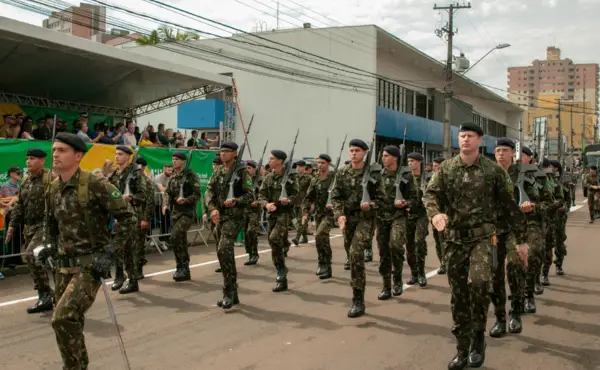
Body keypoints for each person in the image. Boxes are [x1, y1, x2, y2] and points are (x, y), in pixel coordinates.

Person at [423, 123, 528, 369]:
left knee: (479, 282)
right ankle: (463, 348)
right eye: (462, 136)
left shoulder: (493, 171)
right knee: (459, 296)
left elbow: (510, 207)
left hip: (484, 238)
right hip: (455, 240)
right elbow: (430, 195)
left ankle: (479, 337)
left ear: (480, 140)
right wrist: (435, 214)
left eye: (470, 136)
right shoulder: (447, 169)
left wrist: (521, 241)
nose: (465, 140)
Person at [42, 132, 136, 370]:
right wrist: (47, 246)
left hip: (90, 265)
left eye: (62, 150)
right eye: (54, 150)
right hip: (63, 266)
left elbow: (128, 219)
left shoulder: (96, 185)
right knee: (69, 322)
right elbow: (50, 223)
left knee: (62, 318)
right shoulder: (52, 189)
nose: (55, 154)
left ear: (78, 155)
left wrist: (110, 253)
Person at [330, 139, 380, 318]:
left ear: (365, 152)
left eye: (357, 150)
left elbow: (384, 197)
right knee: (352, 258)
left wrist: (371, 204)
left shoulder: (374, 172)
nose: (353, 153)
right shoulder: (343, 172)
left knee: (356, 253)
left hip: (366, 219)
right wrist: (339, 214)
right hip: (348, 220)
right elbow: (335, 196)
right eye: (351, 150)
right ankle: (357, 293)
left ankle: (358, 300)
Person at [204, 141, 253, 309]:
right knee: (224, 253)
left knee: (223, 248)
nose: (222, 154)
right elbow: (208, 191)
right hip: (221, 216)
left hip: (235, 217)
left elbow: (250, 196)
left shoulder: (242, 172)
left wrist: (236, 201)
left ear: (234, 153)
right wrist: (212, 210)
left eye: (226, 151)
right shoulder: (217, 172)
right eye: (221, 151)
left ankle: (228, 291)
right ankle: (233, 292)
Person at [6, 148, 54, 313]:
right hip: (31, 226)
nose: (28, 162)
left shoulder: (51, 178)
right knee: (36, 257)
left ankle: (45, 293)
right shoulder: (26, 180)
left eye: (32, 159)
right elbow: (19, 205)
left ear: (42, 160)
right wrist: (12, 226)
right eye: (27, 159)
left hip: (46, 225)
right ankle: (47, 293)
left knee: (31, 255)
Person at [258, 149, 299, 292]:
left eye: (272, 158)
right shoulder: (268, 178)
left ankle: (281, 272)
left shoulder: (290, 178)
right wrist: (266, 204)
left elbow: (297, 195)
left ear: (280, 161)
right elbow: (261, 196)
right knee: (273, 243)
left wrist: (289, 200)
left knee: (275, 238)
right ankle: (281, 271)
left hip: (284, 214)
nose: (269, 161)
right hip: (272, 215)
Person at [162, 151, 201, 281]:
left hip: (187, 213)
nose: (174, 161)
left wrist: (186, 200)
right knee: (180, 240)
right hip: (176, 213)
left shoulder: (190, 175)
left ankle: (183, 266)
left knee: (175, 236)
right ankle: (182, 267)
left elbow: (197, 194)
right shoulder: (172, 177)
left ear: (183, 161)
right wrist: (165, 204)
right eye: (173, 159)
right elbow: (167, 193)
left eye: (177, 159)